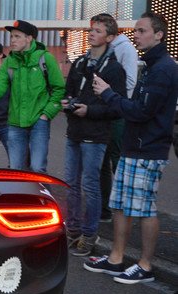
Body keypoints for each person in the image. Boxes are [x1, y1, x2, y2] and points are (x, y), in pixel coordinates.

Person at [84, 12, 178, 286]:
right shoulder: (152, 64)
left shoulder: (164, 68)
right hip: (134, 145)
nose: (135, 34)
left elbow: (142, 111)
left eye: (141, 30)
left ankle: (146, 265)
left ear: (159, 35)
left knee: (144, 209)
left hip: (148, 148)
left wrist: (109, 94)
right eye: (136, 30)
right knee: (121, 206)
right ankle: (115, 259)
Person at [62, 14, 126, 257]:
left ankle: (90, 235)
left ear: (109, 38)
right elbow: (69, 91)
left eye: (97, 31)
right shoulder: (79, 62)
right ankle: (73, 232)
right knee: (71, 185)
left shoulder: (114, 69)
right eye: (91, 30)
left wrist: (90, 110)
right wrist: (67, 103)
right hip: (74, 133)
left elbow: (117, 106)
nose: (91, 34)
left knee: (91, 186)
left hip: (95, 135)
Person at [0, 20, 65, 173]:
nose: (12, 40)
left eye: (17, 36)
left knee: (37, 168)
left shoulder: (45, 58)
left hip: (39, 122)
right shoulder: (9, 62)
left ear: (29, 38)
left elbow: (59, 89)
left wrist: (46, 115)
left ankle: (40, 196)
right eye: (11, 37)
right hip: (15, 124)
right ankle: (20, 197)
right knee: (16, 170)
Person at [99, 17, 140, 223]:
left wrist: (111, 97)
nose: (93, 34)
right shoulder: (106, 50)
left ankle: (123, 208)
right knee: (104, 160)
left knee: (116, 158)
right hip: (105, 110)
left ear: (110, 33)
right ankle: (107, 207)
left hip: (117, 111)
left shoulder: (125, 49)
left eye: (98, 30)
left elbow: (130, 81)